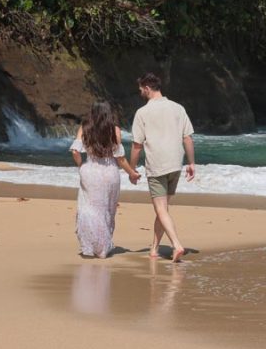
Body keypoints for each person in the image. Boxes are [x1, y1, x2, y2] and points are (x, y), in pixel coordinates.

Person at [129, 72, 195, 262]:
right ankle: (154, 248)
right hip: (175, 163)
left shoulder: (142, 113)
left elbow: (136, 145)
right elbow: (187, 138)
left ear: (147, 88)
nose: (140, 92)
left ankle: (176, 245)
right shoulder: (178, 108)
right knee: (163, 209)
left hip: (157, 165)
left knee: (161, 209)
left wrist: (132, 169)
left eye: (141, 89)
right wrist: (191, 162)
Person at [70, 102, 140, 258]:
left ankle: (90, 245)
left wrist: (82, 164)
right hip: (109, 172)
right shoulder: (114, 130)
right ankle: (102, 247)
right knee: (107, 209)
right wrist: (132, 173)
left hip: (90, 171)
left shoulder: (85, 128)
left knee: (88, 208)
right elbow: (120, 158)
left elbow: (75, 151)